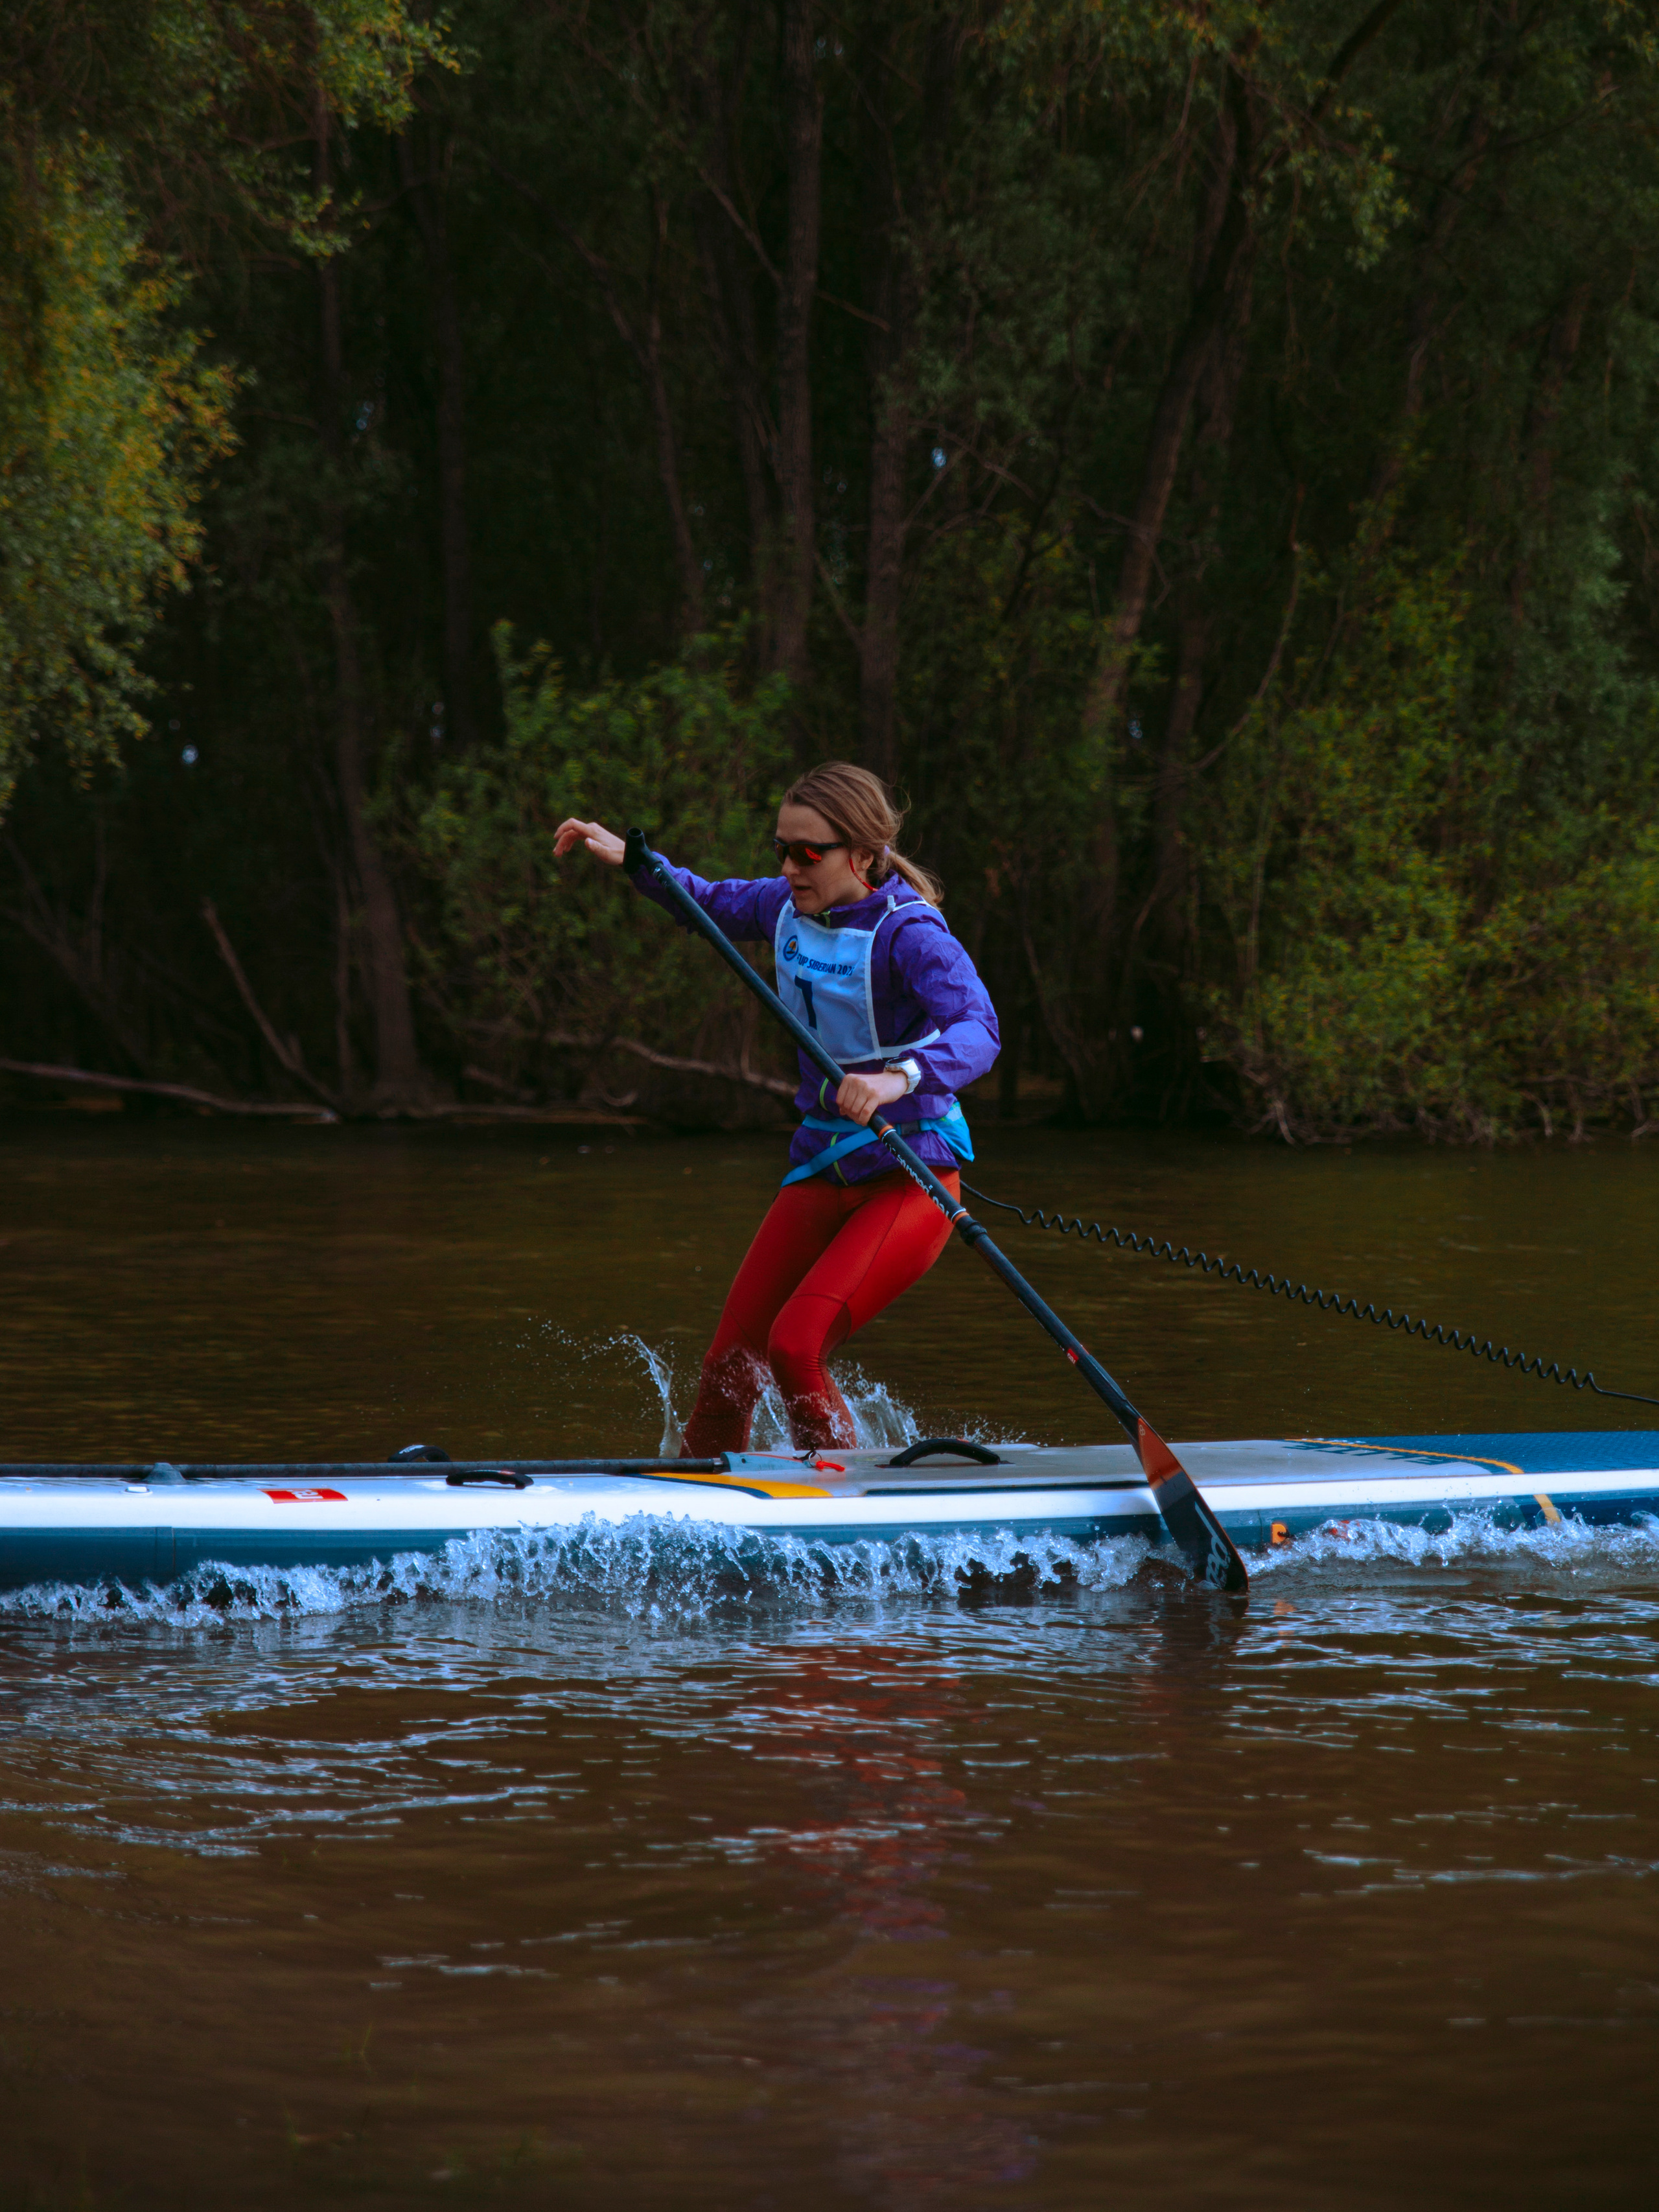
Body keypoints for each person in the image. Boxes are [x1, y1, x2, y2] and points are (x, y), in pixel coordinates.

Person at [553, 762, 1000, 1454]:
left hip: (910, 1178)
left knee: (796, 1344)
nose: (790, 867)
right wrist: (635, 861)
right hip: (823, 1166)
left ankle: (839, 1509)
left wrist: (897, 1077)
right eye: (781, 850)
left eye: (806, 852)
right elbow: (703, 900)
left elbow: (979, 1027)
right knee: (729, 1366)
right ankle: (699, 1509)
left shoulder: (911, 935)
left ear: (860, 852)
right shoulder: (783, 907)